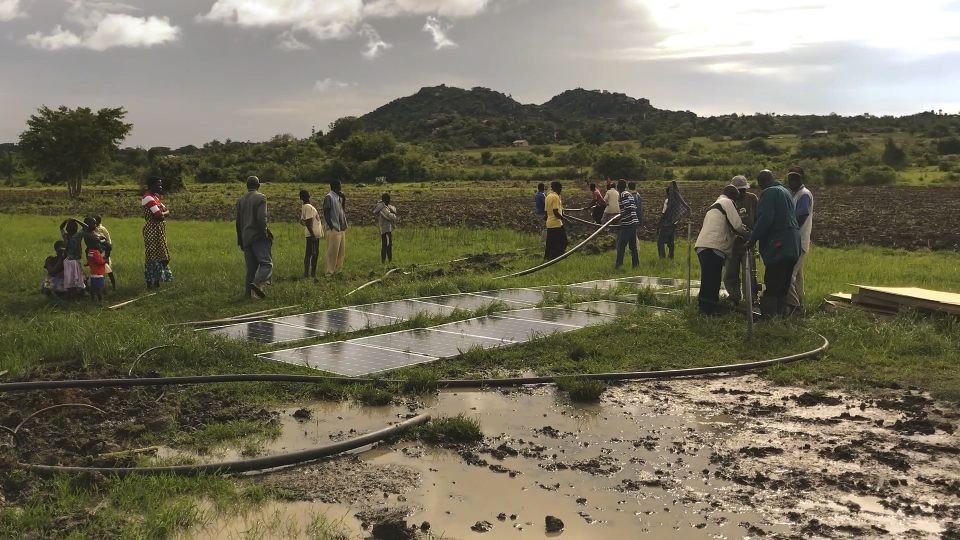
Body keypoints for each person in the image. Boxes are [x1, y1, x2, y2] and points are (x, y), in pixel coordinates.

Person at [747, 170, 801, 318]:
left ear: (761, 184)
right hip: (793, 243)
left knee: (773, 281)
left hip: (779, 244)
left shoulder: (769, 192)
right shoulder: (785, 191)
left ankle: (769, 317)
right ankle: (781, 316)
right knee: (784, 282)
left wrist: (752, 240)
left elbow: (765, 218)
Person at [695, 185, 750, 314]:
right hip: (713, 246)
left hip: (703, 246)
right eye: (736, 199)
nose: (736, 203)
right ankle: (707, 310)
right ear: (733, 197)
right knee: (712, 280)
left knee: (709, 279)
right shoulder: (727, 202)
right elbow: (737, 225)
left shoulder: (715, 204)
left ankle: (707, 307)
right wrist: (749, 234)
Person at [723, 176, 760, 305]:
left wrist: (754, 236)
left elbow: (757, 218)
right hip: (732, 242)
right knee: (730, 272)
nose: (741, 193)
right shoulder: (728, 202)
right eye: (739, 190)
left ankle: (750, 298)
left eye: (743, 190)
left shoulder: (752, 199)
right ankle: (734, 297)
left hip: (748, 241)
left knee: (749, 272)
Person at [236, 175, 273, 298]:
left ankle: (248, 295)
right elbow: (261, 218)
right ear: (258, 185)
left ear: (247, 186)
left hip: (245, 237)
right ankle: (257, 283)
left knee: (251, 269)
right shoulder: (261, 198)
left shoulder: (241, 200)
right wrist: (265, 232)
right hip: (258, 236)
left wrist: (240, 240)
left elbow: (238, 222)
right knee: (267, 264)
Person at [787, 167, 814, 315]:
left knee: (788, 275)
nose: (792, 182)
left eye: (795, 179)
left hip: (798, 240)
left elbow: (801, 216)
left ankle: (794, 307)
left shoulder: (803, 194)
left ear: (801, 179)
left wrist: (788, 232)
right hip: (799, 240)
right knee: (798, 277)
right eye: (790, 179)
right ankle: (801, 305)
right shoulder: (796, 194)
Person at [141, 177, 173, 288]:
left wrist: (165, 212)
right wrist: (166, 212)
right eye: (158, 185)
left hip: (158, 229)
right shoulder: (148, 198)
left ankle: (156, 281)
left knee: (162, 256)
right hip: (152, 229)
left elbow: (163, 212)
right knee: (153, 256)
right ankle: (151, 282)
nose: (161, 187)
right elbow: (159, 215)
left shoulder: (155, 197)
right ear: (152, 185)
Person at [657, 181, 691, 259]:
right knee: (671, 242)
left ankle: (662, 258)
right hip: (674, 224)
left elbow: (664, 213)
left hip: (666, 224)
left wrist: (659, 224)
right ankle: (671, 257)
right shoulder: (677, 202)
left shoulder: (668, 201)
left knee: (660, 242)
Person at [322, 180, 348, 276]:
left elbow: (342, 210)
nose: (341, 188)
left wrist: (344, 198)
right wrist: (331, 226)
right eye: (340, 186)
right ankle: (329, 272)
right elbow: (326, 212)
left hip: (341, 228)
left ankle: (338, 271)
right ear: (336, 187)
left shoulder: (338, 197)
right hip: (334, 228)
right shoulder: (329, 197)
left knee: (341, 251)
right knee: (332, 252)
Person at [615, 179, 640, 269]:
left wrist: (619, 217)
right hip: (633, 222)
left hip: (628, 223)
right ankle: (636, 265)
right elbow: (633, 207)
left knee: (621, 245)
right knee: (633, 246)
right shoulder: (628, 194)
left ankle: (618, 266)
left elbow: (628, 208)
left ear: (618, 187)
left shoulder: (622, 195)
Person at [299, 189, 324, 280]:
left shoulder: (305, 206)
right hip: (312, 235)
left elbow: (302, 221)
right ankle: (310, 274)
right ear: (308, 196)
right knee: (312, 254)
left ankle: (309, 274)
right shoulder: (308, 207)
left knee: (311, 253)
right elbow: (308, 223)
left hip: (312, 234)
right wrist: (313, 235)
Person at [544, 181, 569, 260]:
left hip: (549, 223)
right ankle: (557, 257)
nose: (561, 190)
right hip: (556, 223)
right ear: (557, 188)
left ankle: (548, 257)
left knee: (550, 243)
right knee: (563, 241)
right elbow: (555, 212)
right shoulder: (555, 197)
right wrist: (565, 219)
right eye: (560, 188)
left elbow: (546, 212)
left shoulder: (548, 196)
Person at [61, 219, 86, 293]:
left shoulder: (65, 236)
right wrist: (76, 220)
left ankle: (71, 293)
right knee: (78, 278)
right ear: (76, 228)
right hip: (76, 260)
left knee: (69, 278)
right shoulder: (78, 236)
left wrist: (65, 221)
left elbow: (61, 228)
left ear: (67, 229)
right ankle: (80, 292)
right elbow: (86, 226)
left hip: (68, 260)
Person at [92, 214, 116, 289]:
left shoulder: (102, 229)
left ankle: (113, 285)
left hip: (104, 251)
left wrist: (107, 249)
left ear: (99, 221)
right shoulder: (92, 229)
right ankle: (101, 286)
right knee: (99, 270)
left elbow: (108, 239)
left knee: (107, 269)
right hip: (97, 252)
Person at [373, 193, 398, 264]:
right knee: (386, 245)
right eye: (389, 199)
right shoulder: (383, 209)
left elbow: (393, 208)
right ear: (386, 200)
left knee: (387, 245)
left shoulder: (384, 206)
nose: (389, 201)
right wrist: (394, 215)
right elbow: (390, 216)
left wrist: (392, 210)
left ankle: (386, 261)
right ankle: (386, 261)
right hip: (385, 230)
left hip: (386, 229)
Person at [85, 235, 107, 302]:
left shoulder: (90, 252)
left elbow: (89, 260)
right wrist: (105, 260)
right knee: (99, 288)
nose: (99, 245)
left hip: (93, 273)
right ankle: (100, 300)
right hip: (99, 273)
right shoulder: (96, 252)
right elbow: (99, 262)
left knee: (93, 287)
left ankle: (92, 299)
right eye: (98, 243)